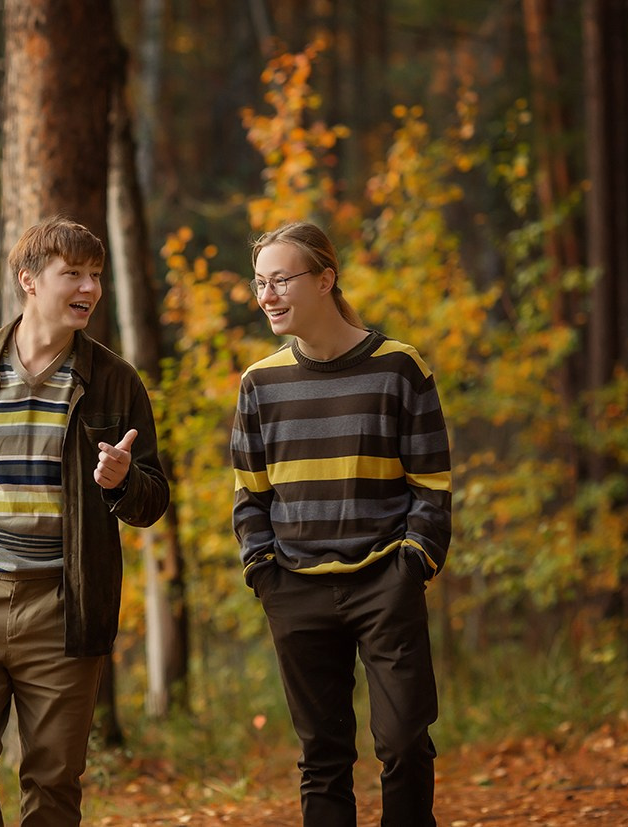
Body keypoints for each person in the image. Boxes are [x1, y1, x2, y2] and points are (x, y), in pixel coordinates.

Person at [0, 216, 170, 826]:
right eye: (72, 273)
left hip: (64, 603)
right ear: (29, 281)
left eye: (96, 275)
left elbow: (152, 500)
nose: (90, 288)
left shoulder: (114, 381)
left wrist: (122, 482)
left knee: (53, 778)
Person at [230, 221, 452, 826]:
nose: (267, 296)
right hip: (295, 587)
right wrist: (264, 573)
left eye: (280, 280)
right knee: (322, 758)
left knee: (405, 742)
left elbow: (431, 487)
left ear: (326, 279)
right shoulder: (260, 383)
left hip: (385, 582)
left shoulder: (400, 368)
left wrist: (411, 566)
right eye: (259, 283)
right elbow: (250, 497)